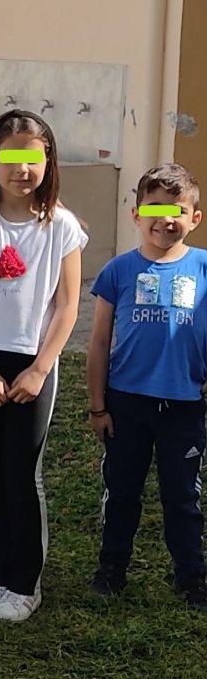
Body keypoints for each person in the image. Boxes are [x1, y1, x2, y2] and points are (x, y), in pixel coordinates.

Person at [0, 108, 86, 624]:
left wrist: (37, 370)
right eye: (10, 156)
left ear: (48, 162)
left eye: (33, 157)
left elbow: (68, 305)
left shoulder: (62, 227)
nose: (21, 169)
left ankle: (25, 584)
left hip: (33, 363)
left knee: (21, 471)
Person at [87, 162, 207, 610]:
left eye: (177, 209)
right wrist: (98, 406)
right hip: (126, 404)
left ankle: (192, 576)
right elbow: (99, 342)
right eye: (154, 207)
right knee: (122, 492)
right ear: (136, 214)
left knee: (182, 496)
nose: (166, 218)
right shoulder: (119, 271)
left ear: (194, 217)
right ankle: (112, 567)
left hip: (184, 404)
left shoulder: (203, 266)